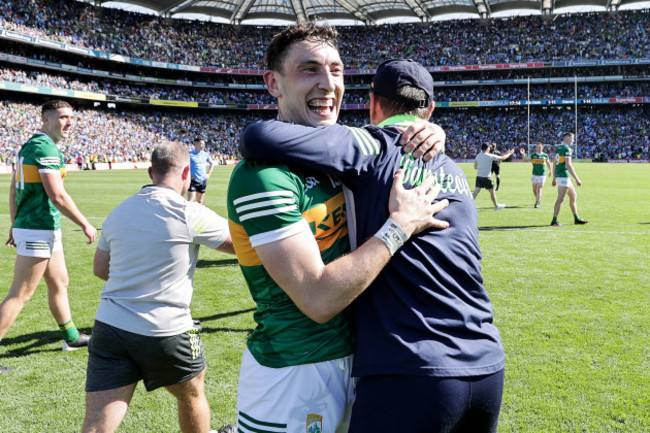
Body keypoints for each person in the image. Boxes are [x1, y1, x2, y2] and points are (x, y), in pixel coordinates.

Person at [239, 58, 506, 433]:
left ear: (372, 105)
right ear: (429, 110)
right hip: (486, 366)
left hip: (411, 370)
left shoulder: (372, 144)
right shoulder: (453, 169)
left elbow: (258, 137)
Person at [227, 24, 448, 433]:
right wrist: (399, 226)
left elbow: (393, 138)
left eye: (337, 70)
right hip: (294, 373)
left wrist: (430, 130)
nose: (327, 84)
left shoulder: (347, 157)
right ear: (273, 83)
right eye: (309, 70)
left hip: (364, 362)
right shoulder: (263, 176)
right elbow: (318, 298)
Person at [82, 140, 235, 433]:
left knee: (97, 422)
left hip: (110, 326)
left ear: (150, 172)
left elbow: (101, 269)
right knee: (192, 394)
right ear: (187, 172)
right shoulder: (189, 212)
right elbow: (243, 245)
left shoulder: (118, 213)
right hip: (165, 329)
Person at [0, 100, 97, 374]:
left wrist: (14, 223)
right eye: (62, 117)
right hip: (38, 228)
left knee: (60, 282)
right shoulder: (45, 148)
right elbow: (57, 195)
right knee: (20, 294)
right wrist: (85, 224)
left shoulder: (30, 145)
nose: (68, 122)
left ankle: (72, 338)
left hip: (39, 227)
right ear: (45, 119)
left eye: (71, 118)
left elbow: (12, 189)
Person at [551, 132, 588, 226]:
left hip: (561, 176)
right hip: (563, 176)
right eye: (572, 139)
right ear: (567, 138)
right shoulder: (567, 149)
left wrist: (554, 178)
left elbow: (554, 163)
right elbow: (568, 164)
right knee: (560, 199)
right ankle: (554, 221)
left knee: (573, 196)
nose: (573, 141)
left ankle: (576, 218)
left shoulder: (559, 148)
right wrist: (577, 178)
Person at [473, 143, 514, 210]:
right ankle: (496, 206)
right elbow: (503, 158)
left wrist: (482, 167)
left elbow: (475, 167)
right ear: (487, 148)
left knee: (475, 193)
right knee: (492, 192)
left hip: (479, 176)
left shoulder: (478, 156)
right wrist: (510, 153)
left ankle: (468, 205)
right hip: (487, 177)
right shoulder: (489, 156)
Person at [520, 143, 552, 208]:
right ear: (536, 148)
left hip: (542, 175)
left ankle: (537, 203)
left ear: (542, 148)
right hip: (534, 174)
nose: (539, 148)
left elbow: (548, 163)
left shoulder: (545, 155)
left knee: (539, 188)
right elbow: (525, 159)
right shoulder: (533, 155)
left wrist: (550, 171)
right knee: (534, 190)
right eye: (537, 147)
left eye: (540, 147)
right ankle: (538, 198)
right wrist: (523, 154)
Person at [187, 138, 215, 204]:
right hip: (193, 181)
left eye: (204, 144)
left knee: (200, 202)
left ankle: (198, 214)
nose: (203, 145)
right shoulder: (189, 154)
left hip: (202, 181)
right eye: (201, 144)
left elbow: (212, 163)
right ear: (196, 144)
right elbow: (183, 165)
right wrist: (188, 175)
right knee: (190, 202)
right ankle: (189, 214)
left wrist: (208, 174)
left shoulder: (205, 154)